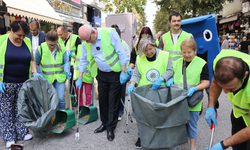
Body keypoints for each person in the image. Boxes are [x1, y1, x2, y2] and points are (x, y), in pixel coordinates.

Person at [77, 25, 129, 141]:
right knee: (103, 100)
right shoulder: (86, 41)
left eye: (89, 39)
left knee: (113, 100)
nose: (88, 42)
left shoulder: (109, 33)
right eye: (85, 41)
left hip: (115, 72)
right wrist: (80, 77)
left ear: (94, 32)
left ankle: (111, 128)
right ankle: (104, 123)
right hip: (101, 74)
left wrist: (123, 71)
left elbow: (121, 52)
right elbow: (83, 59)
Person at [0, 20, 44, 148]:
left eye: (24, 35)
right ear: (11, 30)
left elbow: (32, 59)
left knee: (21, 108)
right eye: (19, 35)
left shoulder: (27, 41)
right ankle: (9, 136)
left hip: (23, 82)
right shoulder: (2, 40)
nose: (21, 38)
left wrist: (34, 71)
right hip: (6, 83)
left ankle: (22, 132)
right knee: (6, 111)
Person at [127, 35, 173, 148]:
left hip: (160, 90)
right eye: (145, 50)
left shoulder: (165, 55)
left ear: (154, 45)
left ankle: (160, 138)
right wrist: (132, 84)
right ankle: (141, 137)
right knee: (142, 116)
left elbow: (170, 70)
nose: (148, 52)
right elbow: (136, 74)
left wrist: (162, 78)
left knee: (160, 116)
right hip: (144, 92)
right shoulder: (139, 58)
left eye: (150, 49)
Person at [166, 39, 209, 150]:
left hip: (192, 101)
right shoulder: (177, 62)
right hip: (178, 100)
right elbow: (173, 76)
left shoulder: (202, 63)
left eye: (189, 52)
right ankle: (178, 144)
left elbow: (206, 82)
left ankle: (193, 148)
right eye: (184, 52)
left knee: (192, 126)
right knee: (178, 124)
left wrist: (195, 88)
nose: (186, 55)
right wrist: (170, 80)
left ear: (195, 51)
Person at [205, 50, 250, 150]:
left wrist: (223, 144)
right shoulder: (219, 62)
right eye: (223, 87)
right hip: (239, 113)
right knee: (238, 146)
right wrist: (211, 106)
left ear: (245, 75)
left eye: (231, 88)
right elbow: (216, 82)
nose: (225, 92)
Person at [34, 30, 72, 110]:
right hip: (47, 79)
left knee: (61, 98)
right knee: (50, 100)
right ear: (46, 40)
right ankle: (52, 118)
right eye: (50, 44)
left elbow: (66, 61)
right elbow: (35, 62)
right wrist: (39, 74)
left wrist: (66, 69)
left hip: (60, 78)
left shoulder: (62, 48)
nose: (52, 47)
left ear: (57, 41)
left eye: (54, 45)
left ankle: (61, 118)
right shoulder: (40, 49)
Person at [111, 24, 131, 121]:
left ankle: (120, 111)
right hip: (112, 73)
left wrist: (125, 72)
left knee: (121, 93)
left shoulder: (124, 44)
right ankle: (113, 111)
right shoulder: (108, 44)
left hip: (121, 73)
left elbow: (127, 57)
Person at [57, 26, 82, 95]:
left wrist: (73, 57)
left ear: (66, 32)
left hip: (72, 65)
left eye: (61, 34)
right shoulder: (59, 40)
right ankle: (65, 98)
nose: (59, 36)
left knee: (72, 85)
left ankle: (73, 99)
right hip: (63, 65)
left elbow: (80, 54)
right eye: (58, 35)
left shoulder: (75, 38)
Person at [73, 41, 94, 109]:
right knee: (78, 93)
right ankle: (80, 107)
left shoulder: (92, 46)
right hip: (78, 75)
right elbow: (77, 58)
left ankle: (87, 107)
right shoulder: (78, 47)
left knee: (88, 93)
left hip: (88, 75)